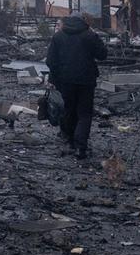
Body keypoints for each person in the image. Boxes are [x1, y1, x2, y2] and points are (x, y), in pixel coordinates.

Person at [45, 12, 108, 160]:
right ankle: (81, 147)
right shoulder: (89, 35)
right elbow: (103, 54)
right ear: (84, 22)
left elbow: (50, 61)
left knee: (68, 111)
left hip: (65, 81)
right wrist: (95, 37)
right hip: (86, 81)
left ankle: (70, 141)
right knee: (84, 114)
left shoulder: (58, 36)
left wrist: (56, 77)